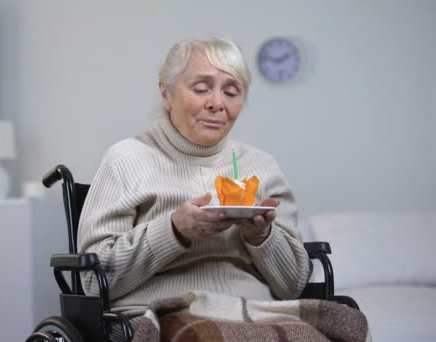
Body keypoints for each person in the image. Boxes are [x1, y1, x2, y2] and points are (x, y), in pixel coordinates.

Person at [77, 34, 310, 332]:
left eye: (232, 91)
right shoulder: (126, 159)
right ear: (166, 93)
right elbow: (92, 282)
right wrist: (173, 229)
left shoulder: (262, 167)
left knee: (344, 326)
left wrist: (261, 235)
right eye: (201, 88)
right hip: (161, 315)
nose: (217, 103)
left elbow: (293, 286)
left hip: (254, 313)